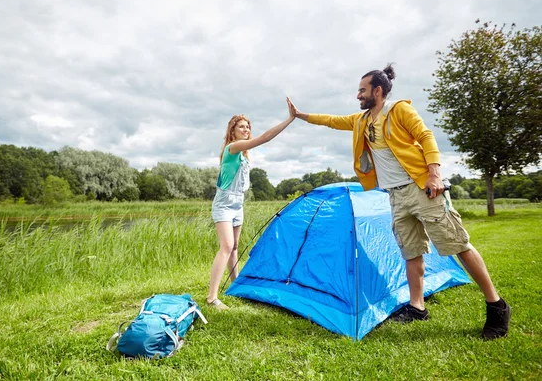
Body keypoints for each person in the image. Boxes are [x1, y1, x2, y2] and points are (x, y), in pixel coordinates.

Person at [287, 64, 511, 340]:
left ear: (377, 91)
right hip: (395, 195)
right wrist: (300, 115)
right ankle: (417, 307)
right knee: (410, 251)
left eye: (362, 90)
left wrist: (434, 174)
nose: (358, 95)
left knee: (457, 244)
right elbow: (332, 120)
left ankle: (497, 306)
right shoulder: (362, 121)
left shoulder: (398, 110)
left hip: (422, 189)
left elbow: (426, 136)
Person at [206, 98, 296, 310]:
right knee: (226, 246)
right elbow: (264, 138)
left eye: (248, 127)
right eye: (242, 127)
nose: (246, 129)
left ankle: (236, 283)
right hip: (224, 205)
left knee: (235, 246)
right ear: (233, 131)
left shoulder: (244, 156)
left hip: (238, 205)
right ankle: (211, 298)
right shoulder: (233, 148)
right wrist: (290, 120)